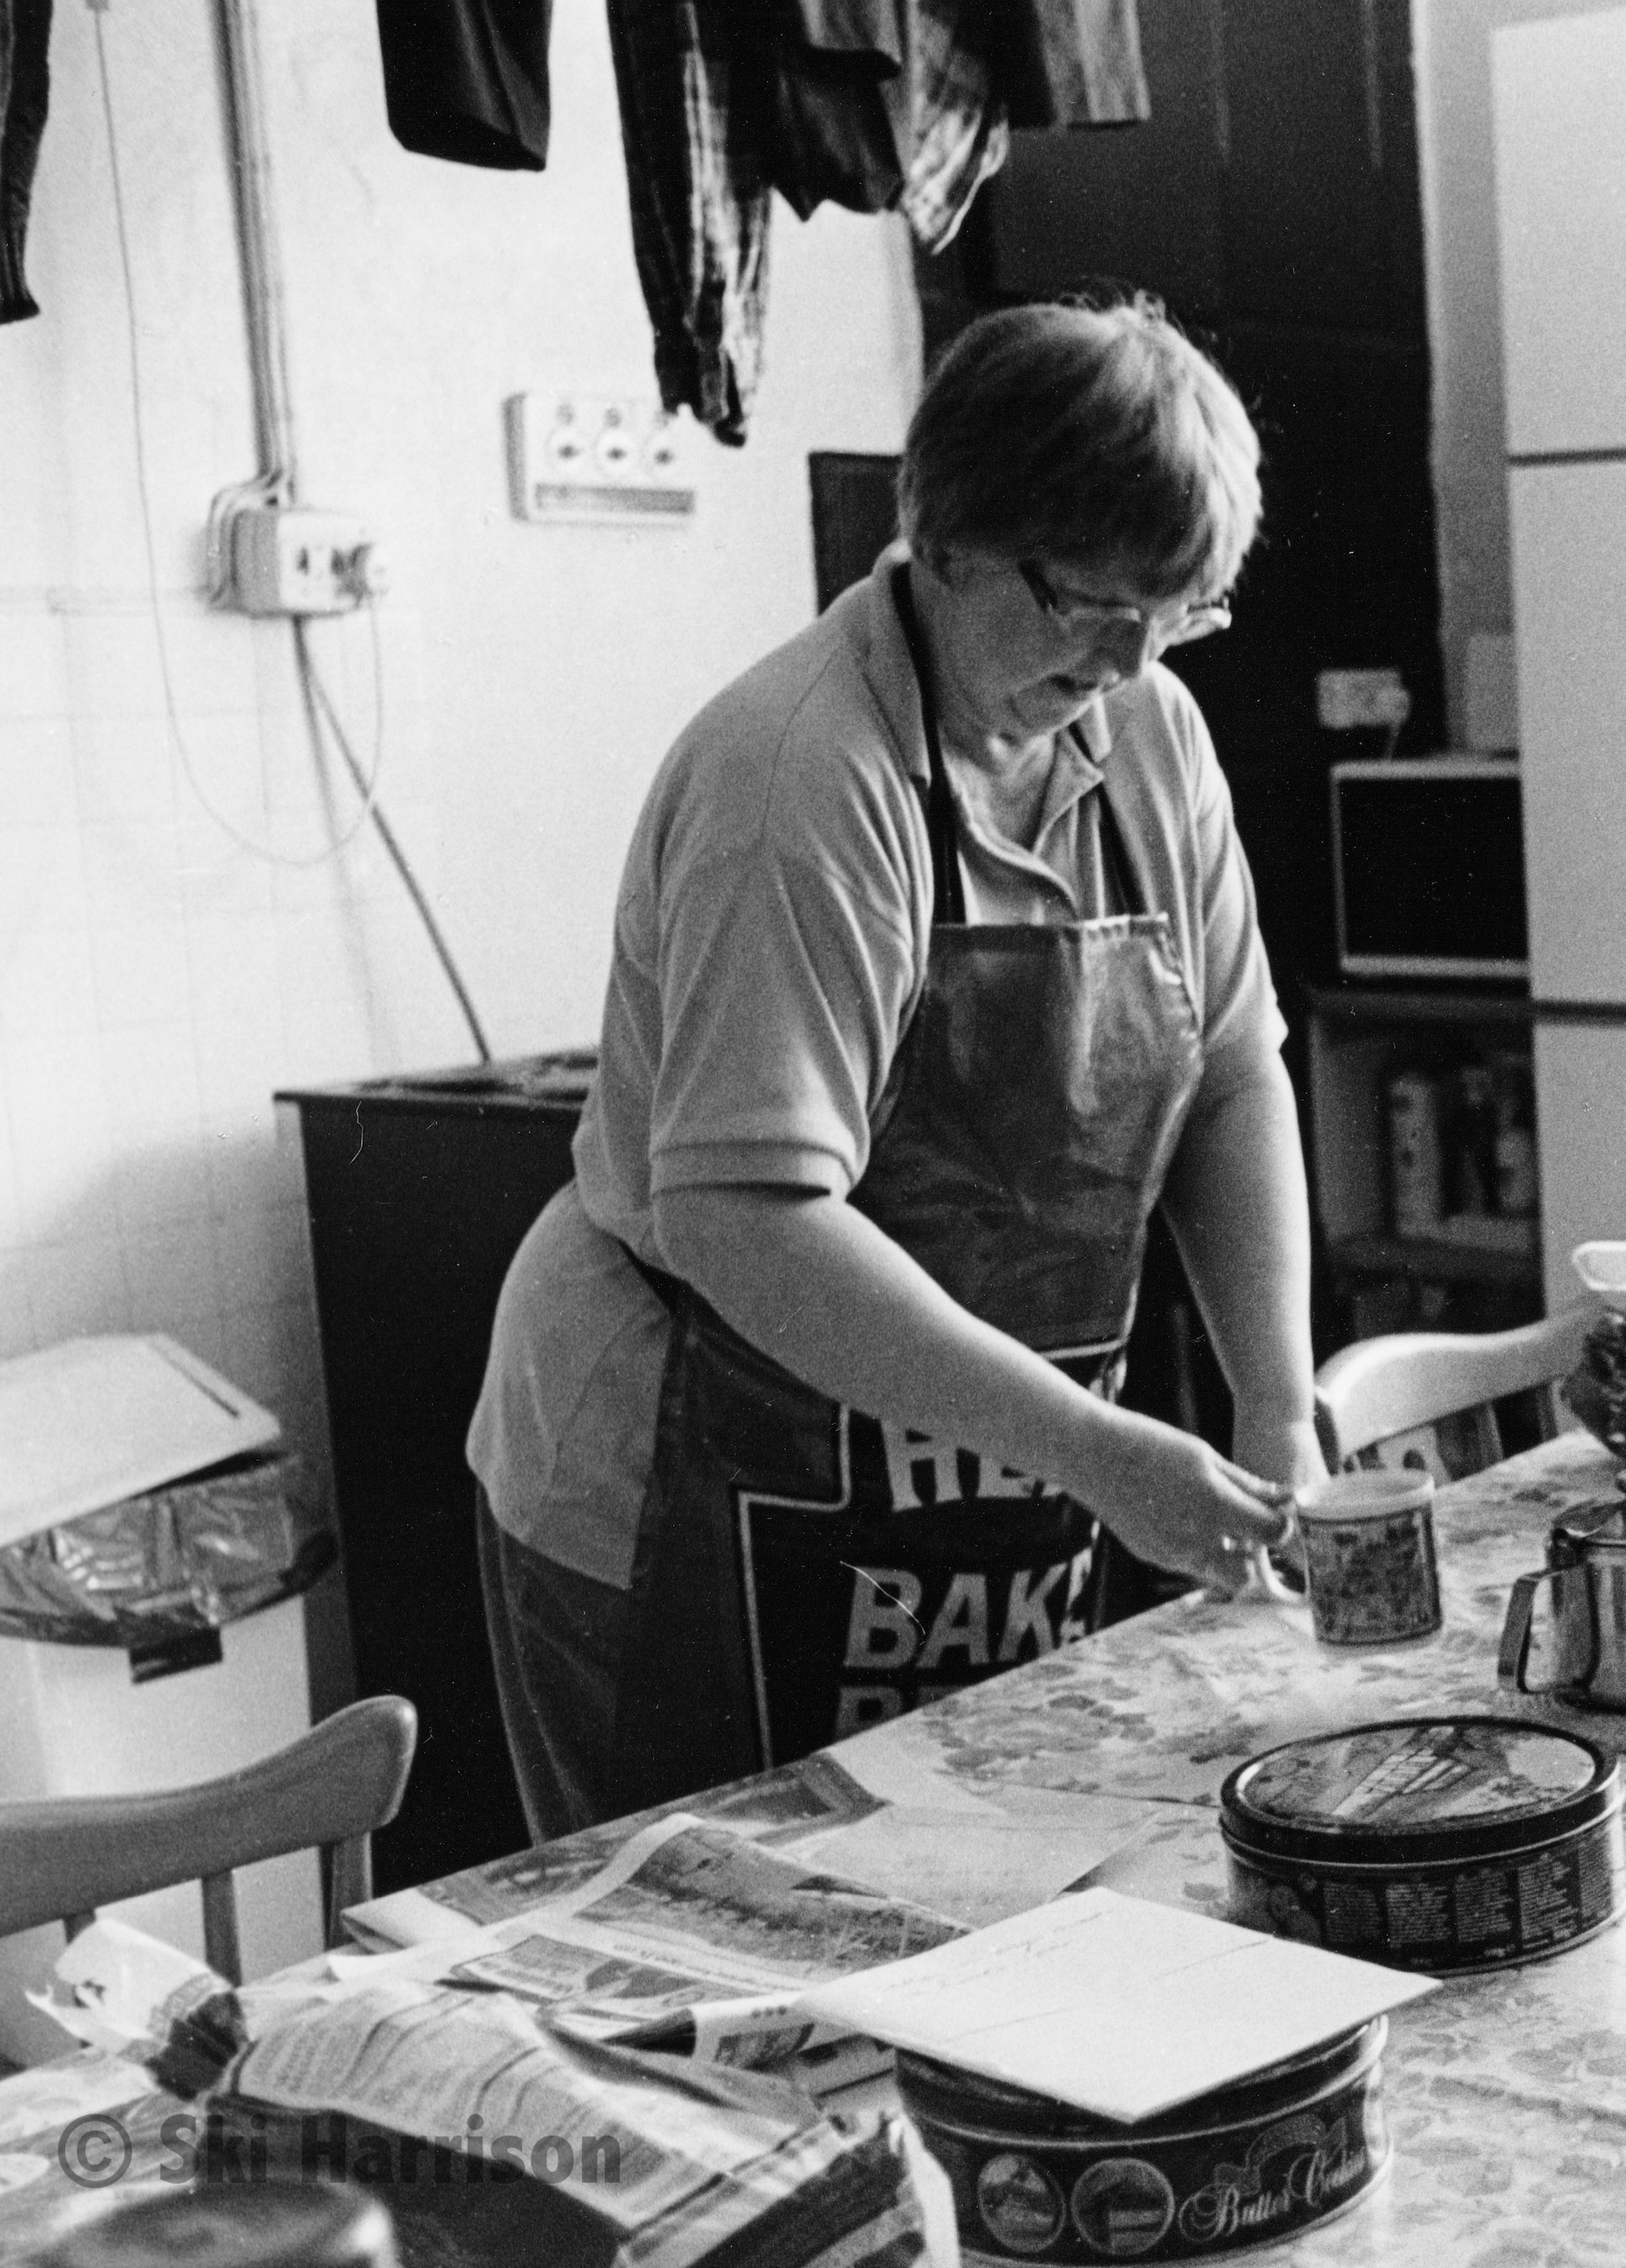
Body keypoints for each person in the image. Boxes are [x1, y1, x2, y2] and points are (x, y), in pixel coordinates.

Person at [469, 299, 1307, 1839]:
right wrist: (1091, 1446)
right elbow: (745, 1215)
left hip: (973, 1467)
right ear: (942, 536)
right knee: (708, 1965)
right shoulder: (802, 775)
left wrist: (1277, 1405)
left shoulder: (1150, 733)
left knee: (960, 1937)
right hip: (692, 1460)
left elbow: (1233, 1076)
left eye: (1175, 613)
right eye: (1083, 603)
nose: (1126, 659)